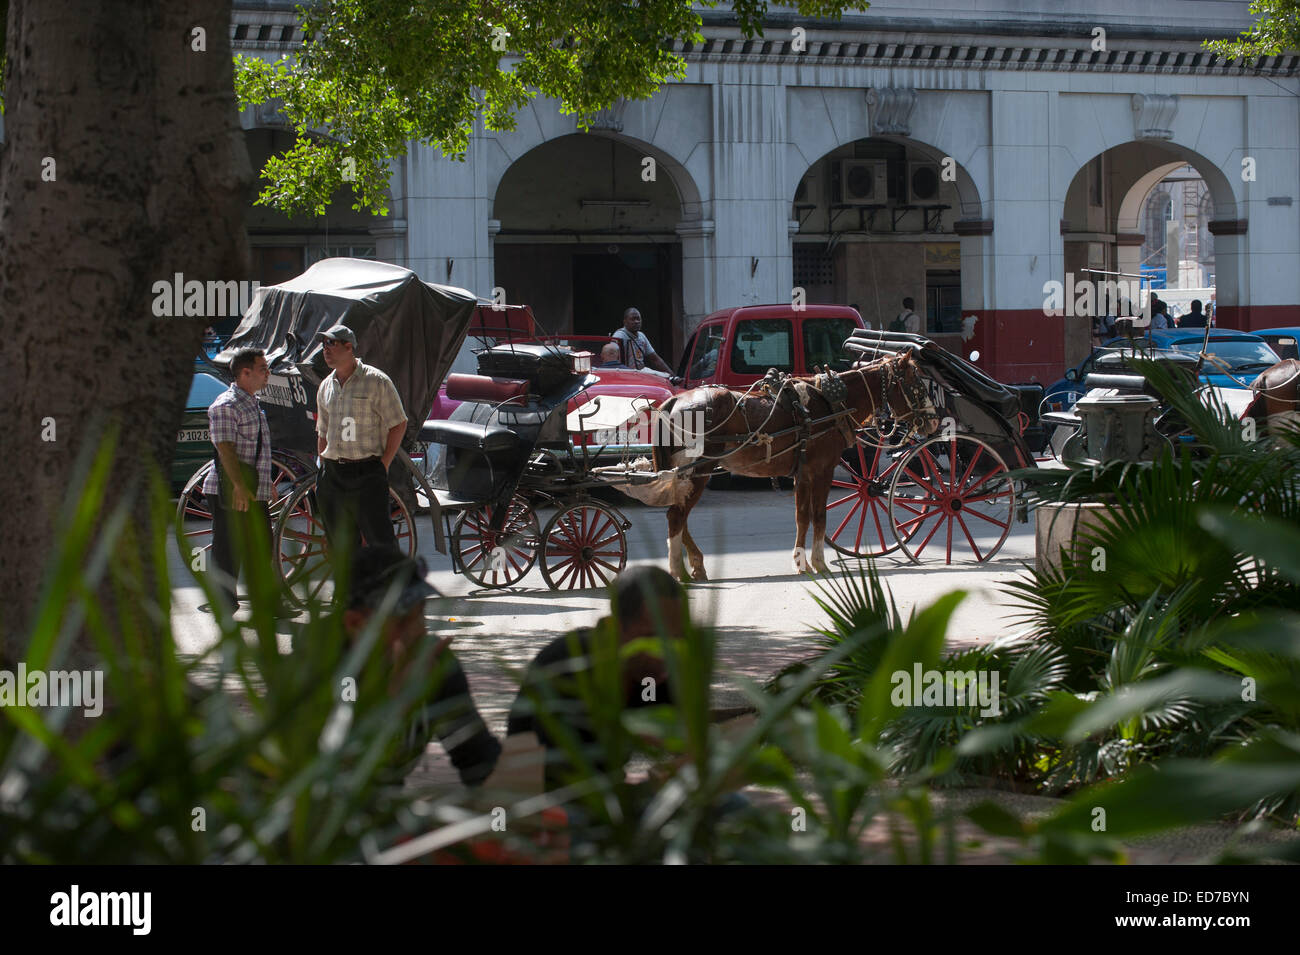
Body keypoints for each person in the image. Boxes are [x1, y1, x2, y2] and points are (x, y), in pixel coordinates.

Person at [505, 566, 685, 791]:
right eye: (650, 637)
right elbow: (567, 780)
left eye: (676, 639)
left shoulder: (653, 673)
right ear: (616, 627)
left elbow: (683, 739)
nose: (663, 653)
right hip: (540, 799)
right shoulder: (570, 665)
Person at [342, 546, 501, 787]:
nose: (419, 631)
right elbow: (332, 782)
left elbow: (478, 759)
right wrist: (396, 702)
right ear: (355, 623)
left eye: (421, 614)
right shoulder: (314, 672)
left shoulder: (432, 661)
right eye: (403, 621)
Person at [314, 324, 408, 558]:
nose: (325, 349)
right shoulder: (326, 385)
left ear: (349, 347)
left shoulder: (376, 381)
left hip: (366, 471)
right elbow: (322, 431)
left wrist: (383, 464)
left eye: (331, 343)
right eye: (323, 344)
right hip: (333, 472)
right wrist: (322, 467)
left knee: (380, 539)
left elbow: (398, 423)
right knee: (340, 544)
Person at [203, 347, 273, 618]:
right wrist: (239, 487)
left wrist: (266, 483)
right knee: (228, 551)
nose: (268, 374)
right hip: (233, 489)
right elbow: (225, 449)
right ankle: (224, 605)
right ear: (245, 372)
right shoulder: (226, 405)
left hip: (252, 488)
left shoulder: (250, 402)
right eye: (263, 369)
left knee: (261, 547)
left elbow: (256, 450)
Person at [612, 307, 672, 374]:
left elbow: (655, 359)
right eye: (633, 319)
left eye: (638, 319)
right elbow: (611, 359)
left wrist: (672, 375)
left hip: (640, 374)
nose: (636, 322)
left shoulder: (641, 336)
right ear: (625, 321)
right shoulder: (619, 336)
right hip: (626, 375)